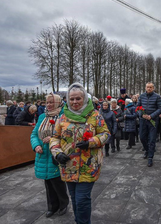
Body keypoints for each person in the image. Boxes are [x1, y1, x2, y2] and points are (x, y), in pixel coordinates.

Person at [50, 83, 110, 224]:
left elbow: (105, 134)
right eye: (72, 99)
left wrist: (91, 142)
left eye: (78, 99)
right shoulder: (63, 117)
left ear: (84, 98)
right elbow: (55, 137)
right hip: (68, 165)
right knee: (74, 199)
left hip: (88, 166)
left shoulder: (94, 115)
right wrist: (57, 153)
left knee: (82, 199)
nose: (75, 102)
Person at [30, 94, 69, 218]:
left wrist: (52, 138)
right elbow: (34, 134)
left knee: (58, 181)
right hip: (43, 154)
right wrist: (36, 145)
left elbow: (68, 135)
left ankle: (63, 204)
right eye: (47, 102)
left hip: (56, 154)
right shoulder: (42, 116)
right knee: (47, 182)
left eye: (52, 102)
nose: (49, 105)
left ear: (58, 103)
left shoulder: (64, 116)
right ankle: (52, 206)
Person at [137, 82, 161, 167]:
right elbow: (137, 107)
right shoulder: (141, 96)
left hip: (153, 121)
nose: (149, 88)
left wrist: (151, 116)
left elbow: (160, 108)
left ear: (153, 88)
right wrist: (141, 114)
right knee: (142, 137)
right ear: (145, 88)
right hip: (143, 120)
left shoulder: (157, 97)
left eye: (151, 87)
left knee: (152, 140)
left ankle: (150, 158)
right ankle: (147, 150)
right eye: (147, 87)